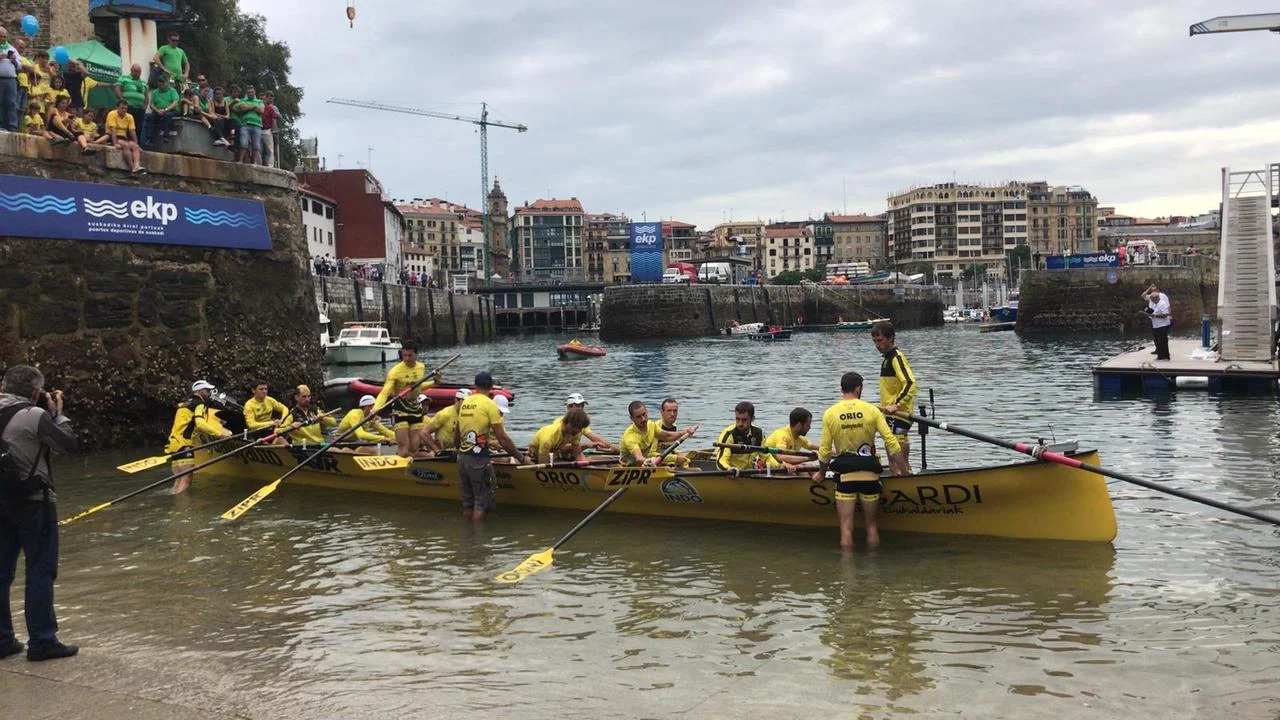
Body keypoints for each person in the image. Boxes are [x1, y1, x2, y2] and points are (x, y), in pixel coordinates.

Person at [0, 365, 79, 661]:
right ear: (35, 393)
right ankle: (43, 641)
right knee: (40, 570)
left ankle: (3, 640)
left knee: (1, 573)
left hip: (1, 504)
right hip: (34, 502)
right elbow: (67, 445)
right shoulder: (33, 416)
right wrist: (58, 414)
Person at [814, 372, 907, 549]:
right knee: (871, 527)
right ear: (859, 388)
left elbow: (824, 450)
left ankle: (847, 565)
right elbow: (891, 442)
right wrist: (904, 471)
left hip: (845, 476)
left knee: (846, 529)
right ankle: (874, 563)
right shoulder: (872, 410)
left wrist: (821, 473)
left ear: (842, 389)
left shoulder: (830, 413)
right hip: (869, 474)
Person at [456, 372, 528, 521]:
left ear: (475, 386)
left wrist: (459, 451)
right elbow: (502, 438)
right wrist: (521, 458)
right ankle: (479, 535)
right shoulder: (490, 405)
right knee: (481, 503)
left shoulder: (465, 403)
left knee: (468, 504)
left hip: (462, 458)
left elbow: (456, 434)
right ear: (491, 387)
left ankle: (468, 532)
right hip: (478, 460)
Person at [373, 341, 440, 458]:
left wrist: (435, 382)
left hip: (415, 409)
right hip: (400, 409)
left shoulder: (421, 367)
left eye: (410, 355)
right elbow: (385, 392)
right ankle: (399, 461)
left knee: (414, 448)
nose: (407, 359)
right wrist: (376, 408)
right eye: (404, 355)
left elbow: (418, 387)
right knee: (404, 448)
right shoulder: (395, 371)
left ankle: (411, 466)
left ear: (417, 354)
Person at [165, 380, 233, 494]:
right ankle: (183, 504)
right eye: (207, 391)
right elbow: (200, 424)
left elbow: (188, 424)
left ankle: (176, 501)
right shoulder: (199, 404)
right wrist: (220, 434)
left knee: (179, 481)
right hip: (184, 445)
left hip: (173, 444)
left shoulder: (185, 404)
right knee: (186, 480)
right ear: (200, 391)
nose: (210, 394)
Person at [870, 321, 917, 475]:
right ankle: (903, 475)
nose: (877, 345)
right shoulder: (887, 359)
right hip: (889, 413)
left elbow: (910, 383)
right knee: (893, 459)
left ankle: (904, 477)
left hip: (899, 413)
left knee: (895, 457)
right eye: (875, 341)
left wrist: (896, 404)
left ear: (891, 338)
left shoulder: (897, 358)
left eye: (880, 340)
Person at [620, 400, 695, 466]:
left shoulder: (651, 425)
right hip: (628, 465)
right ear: (631, 418)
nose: (643, 419)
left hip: (646, 462)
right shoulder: (630, 437)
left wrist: (684, 432)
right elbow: (639, 458)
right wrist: (651, 460)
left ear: (647, 412)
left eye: (644, 414)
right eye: (638, 417)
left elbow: (667, 436)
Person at [762, 407, 817, 472]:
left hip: (784, 465)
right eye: (808, 425)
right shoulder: (783, 435)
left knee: (811, 468)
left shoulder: (799, 438)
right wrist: (808, 458)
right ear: (799, 425)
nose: (809, 428)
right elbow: (781, 457)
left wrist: (823, 452)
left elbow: (818, 448)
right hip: (769, 466)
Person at [714, 401, 763, 472]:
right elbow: (721, 461)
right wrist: (729, 469)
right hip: (732, 473)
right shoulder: (729, 434)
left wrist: (778, 465)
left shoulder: (758, 433)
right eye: (737, 419)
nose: (740, 423)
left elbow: (767, 457)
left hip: (750, 472)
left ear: (752, 419)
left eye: (744, 420)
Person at [423, 388, 469, 455]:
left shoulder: (468, 415)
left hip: (459, 451)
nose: (467, 405)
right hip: (444, 452)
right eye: (464, 402)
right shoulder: (445, 414)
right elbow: (424, 432)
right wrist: (437, 450)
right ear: (457, 400)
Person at [105, 99, 145, 174]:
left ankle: (137, 166)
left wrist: (136, 143)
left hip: (123, 137)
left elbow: (132, 131)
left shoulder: (129, 117)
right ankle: (132, 168)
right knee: (125, 145)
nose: (124, 110)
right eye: (122, 108)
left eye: (125, 108)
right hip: (111, 136)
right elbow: (113, 130)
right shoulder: (112, 114)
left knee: (135, 146)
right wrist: (115, 143)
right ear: (117, 108)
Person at [0, 28, 25, 132]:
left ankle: (12, 125)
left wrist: (14, 60)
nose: (3, 38)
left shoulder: (11, 48)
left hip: (11, 79)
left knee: (11, 102)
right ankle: (1, 124)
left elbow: (20, 66)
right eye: (1, 36)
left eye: (4, 36)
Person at [114, 63, 148, 139]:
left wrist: (145, 107)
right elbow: (117, 88)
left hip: (140, 109)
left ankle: (136, 143)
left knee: (138, 128)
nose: (137, 73)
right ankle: (126, 142)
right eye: (135, 71)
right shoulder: (124, 78)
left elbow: (146, 96)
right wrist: (122, 100)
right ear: (131, 70)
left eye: (139, 72)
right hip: (127, 107)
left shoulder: (143, 82)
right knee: (126, 127)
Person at [232, 85, 264, 164]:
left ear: (254, 92)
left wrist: (248, 107)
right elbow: (243, 108)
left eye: (252, 92)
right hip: (245, 124)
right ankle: (240, 160)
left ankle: (253, 161)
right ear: (247, 93)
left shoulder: (260, 101)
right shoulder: (243, 100)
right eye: (249, 92)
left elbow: (261, 110)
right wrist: (254, 107)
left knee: (256, 144)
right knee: (243, 142)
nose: (250, 93)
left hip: (257, 125)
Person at [145, 74, 179, 146]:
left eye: (162, 81)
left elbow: (175, 103)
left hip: (170, 110)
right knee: (151, 117)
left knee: (167, 115)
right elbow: (151, 104)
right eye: (159, 81)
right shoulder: (155, 92)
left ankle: (166, 137)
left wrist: (166, 110)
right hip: (158, 110)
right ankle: (149, 139)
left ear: (167, 82)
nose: (160, 83)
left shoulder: (172, 91)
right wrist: (157, 111)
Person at [1142, 283, 1172, 361]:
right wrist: (1148, 314)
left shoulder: (1162, 303)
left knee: (1163, 341)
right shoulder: (1155, 304)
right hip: (1156, 325)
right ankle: (1160, 356)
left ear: (1156, 298)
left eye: (1152, 299)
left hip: (1162, 325)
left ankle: (1165, 356)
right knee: (1158, 341)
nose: (1151, 301)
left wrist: (1155, 316)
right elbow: (1154, 312)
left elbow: (1166, 314)